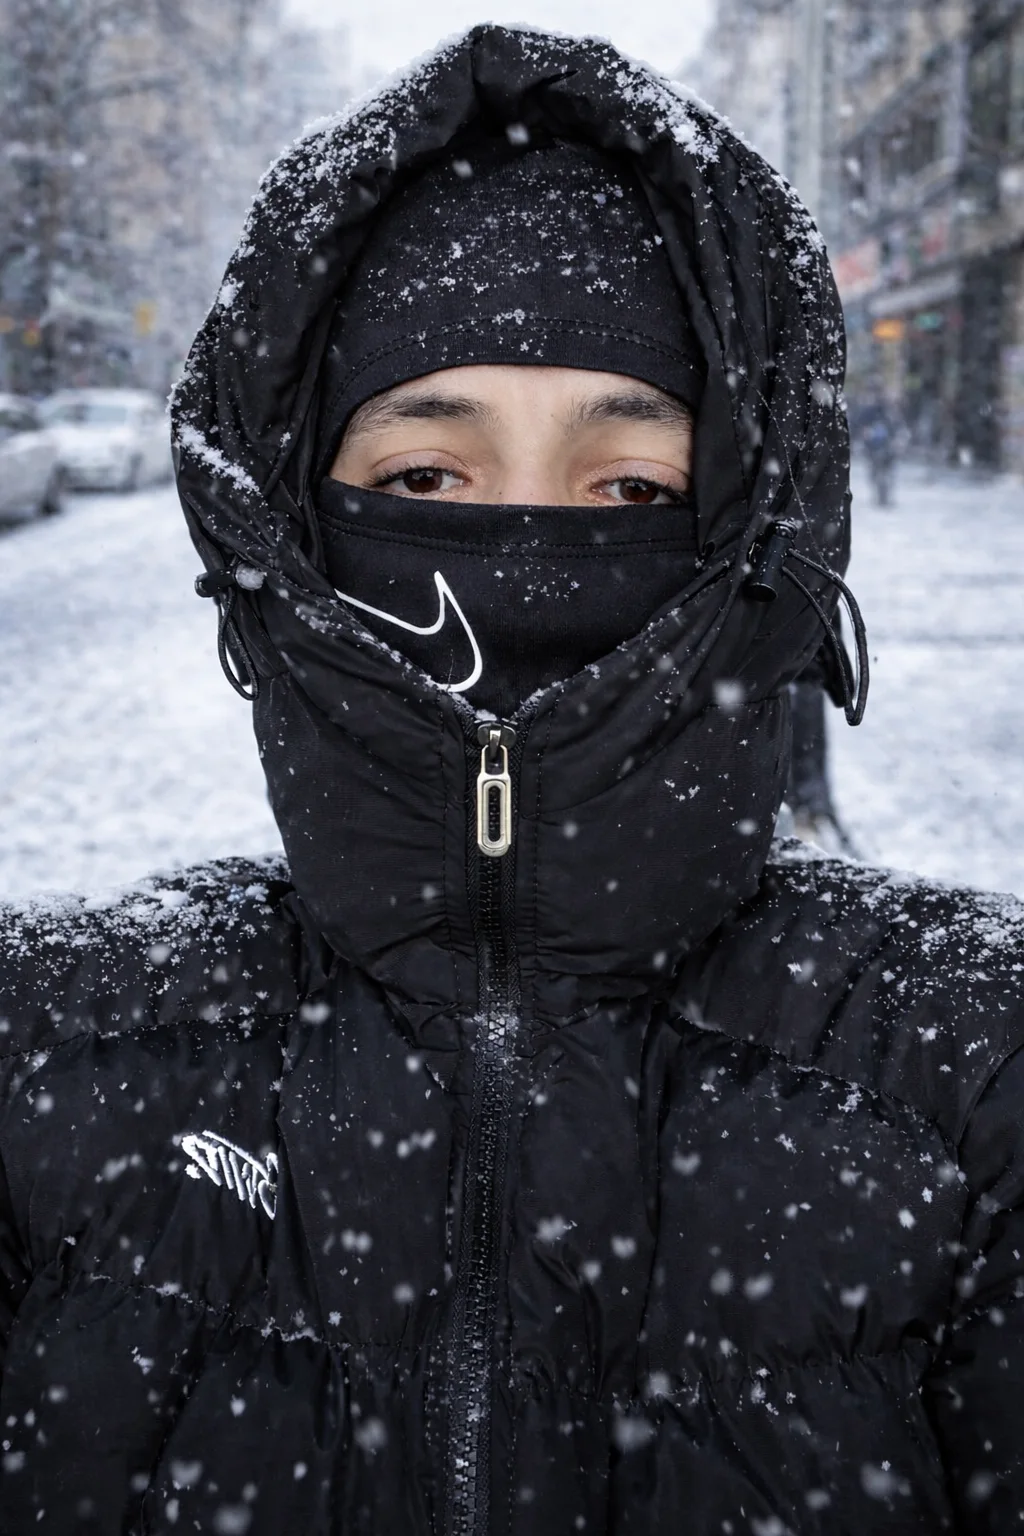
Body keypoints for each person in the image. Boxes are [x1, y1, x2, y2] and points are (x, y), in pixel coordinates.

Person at [1, 25, 1022, 1536]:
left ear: (751, 527)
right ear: (285, 532)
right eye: (426, 480)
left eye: (630, 487)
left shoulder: (974, 1070)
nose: (531, 546)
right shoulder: (47, 1058)